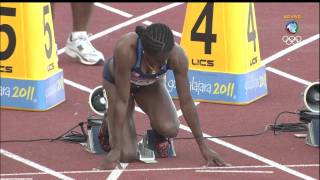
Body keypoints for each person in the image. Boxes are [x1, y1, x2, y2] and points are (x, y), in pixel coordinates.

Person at [99, 23, 229, 169]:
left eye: (164, 61)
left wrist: (204, 147)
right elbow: (122, 102)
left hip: (148, 85)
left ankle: (155, 135)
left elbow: (186, 102)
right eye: (155, 62)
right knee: (126, 154)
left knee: (170, 128)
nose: (159, 66)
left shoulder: (177, 56)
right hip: (118, 85)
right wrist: (115, 150)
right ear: (145, 53)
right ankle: (107, 120)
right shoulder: (126, 50)